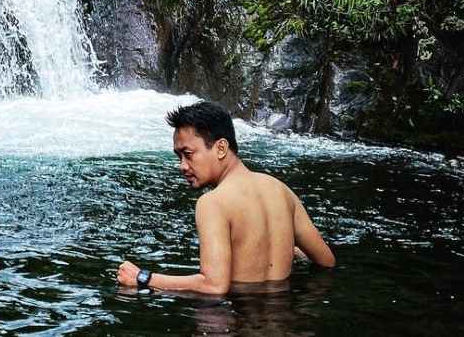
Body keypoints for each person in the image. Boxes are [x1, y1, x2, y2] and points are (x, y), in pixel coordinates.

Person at [117, 101, 335, 295]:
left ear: (221, 147)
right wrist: (286, 248)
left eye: (188, 154)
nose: (182, 166)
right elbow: (326, 261)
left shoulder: (213, 202)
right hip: (287, 320)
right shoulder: (281, 189)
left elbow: (213, 286)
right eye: (179, 157)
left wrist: (143, 278)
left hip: (242, 318)